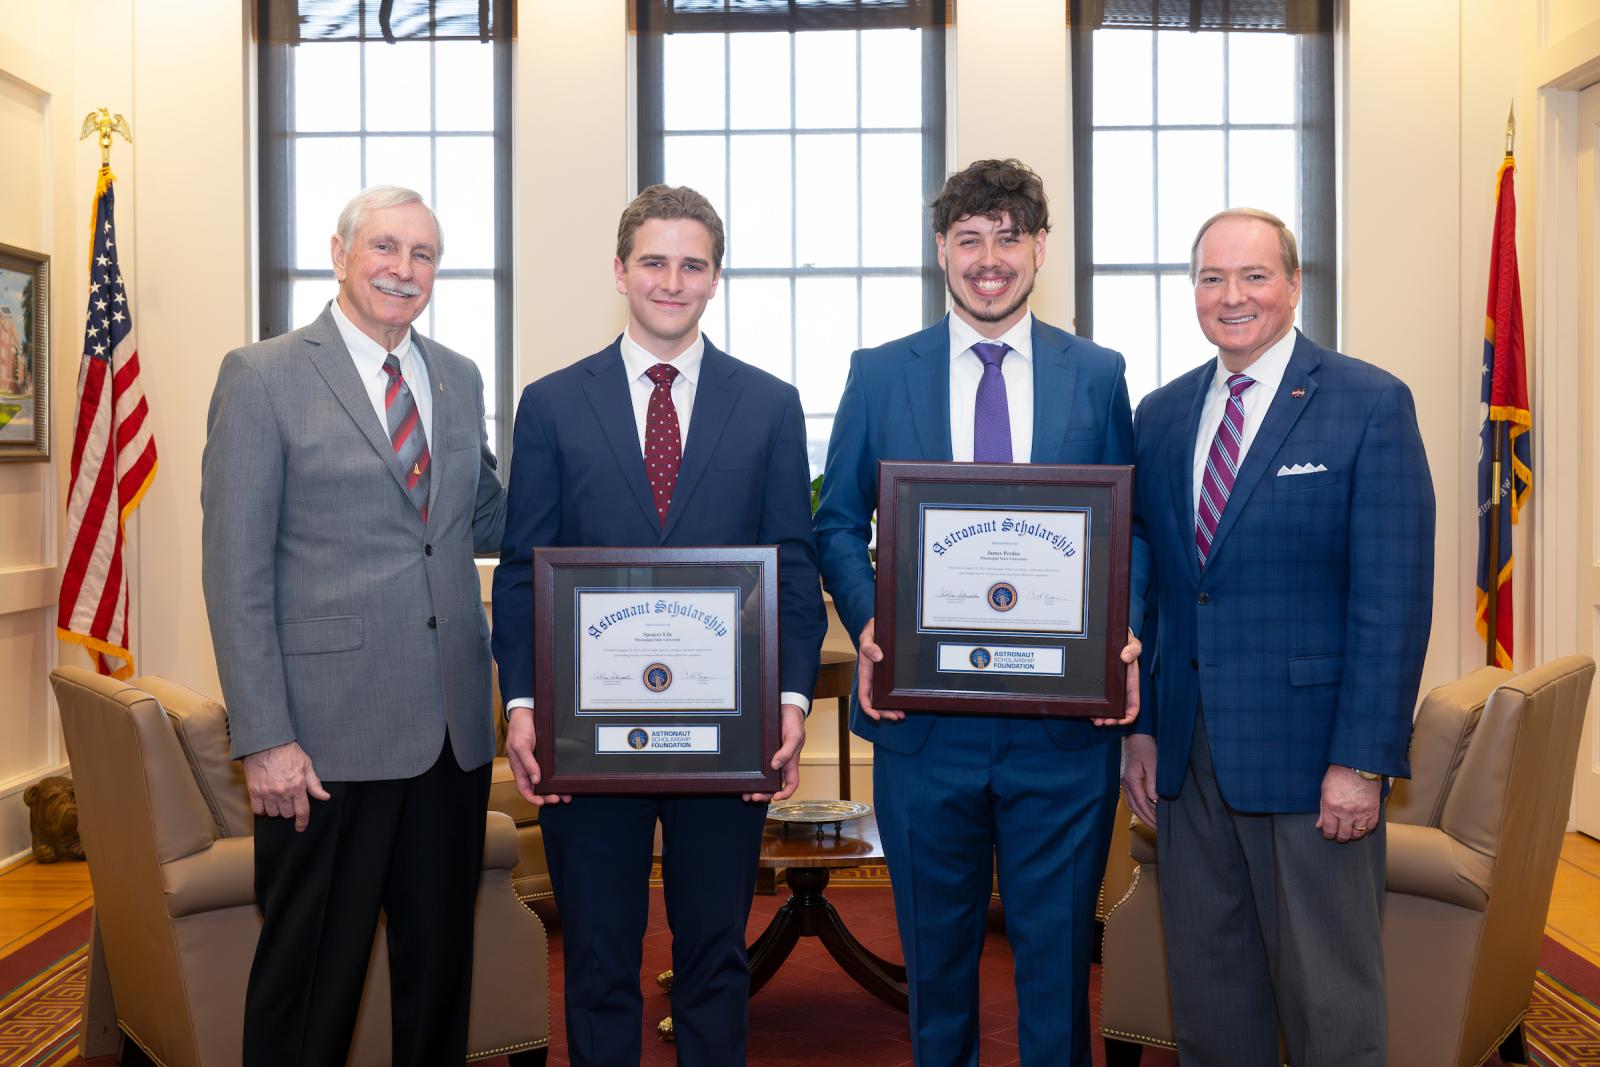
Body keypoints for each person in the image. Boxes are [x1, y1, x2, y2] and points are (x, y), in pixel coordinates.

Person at [814, 158, 1144, 1067]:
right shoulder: (880, 374)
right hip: (926, 730)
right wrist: (868, 616)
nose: (988, 259)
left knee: (1057, 975)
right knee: (938, 975)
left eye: (1008, 237)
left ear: (1040, 249)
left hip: (1062, 733)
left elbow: (1131, 528)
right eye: (969, 239)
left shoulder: (1098, 373)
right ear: (940, 252)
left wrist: (1127, 631)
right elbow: (836, 519)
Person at [491, 184, 827, 1067]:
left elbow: (792, 564)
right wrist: (522, 702)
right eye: (654, 261)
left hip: (726, 736)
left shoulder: (769, 404)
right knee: (598, 956)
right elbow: (525, 569)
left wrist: (790, 701)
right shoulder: (554, 403)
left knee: (714, 955)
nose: (671, 280)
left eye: (692, 263)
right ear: (620, 270)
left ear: (715, 277)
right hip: (585, 737)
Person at [201, 185, 506, 1066]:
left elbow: (483, 518)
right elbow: (235, 574)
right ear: (339, 254)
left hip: (451, 731)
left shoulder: (456, 375)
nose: (402, 270)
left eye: (422, 255)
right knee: (310, 985)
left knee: (439, 976)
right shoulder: (261, 376)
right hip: (322, 743)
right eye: (383, 248)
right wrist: (265, 737)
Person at [1121, 208, 1434, 1066]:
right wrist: (1142, 730)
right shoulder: (1161, 415)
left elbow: (1393, 599)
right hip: (1188, 761)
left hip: (1312, 762)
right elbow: (1154, 587)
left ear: (1294, 285)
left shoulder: (1369, 403)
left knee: (1330, 1004)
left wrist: (1362, 759)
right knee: (1212, 1000)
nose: (1233, 297)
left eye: (1254, 276)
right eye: (1212, 278)